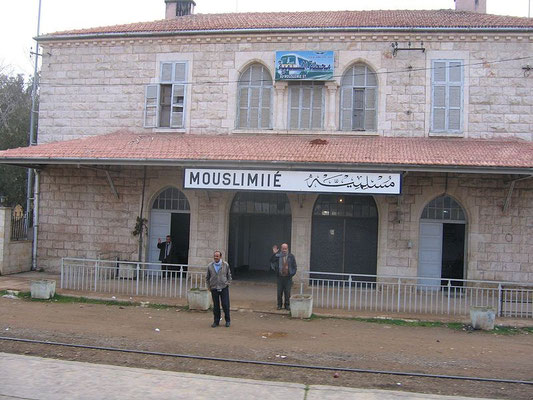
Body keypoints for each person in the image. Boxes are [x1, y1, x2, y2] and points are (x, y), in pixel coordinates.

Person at [206, 250, 231, 328]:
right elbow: (207, 277)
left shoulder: (225, 265)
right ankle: (216, 321)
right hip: (214, 287)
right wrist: (209, 286)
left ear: (220, 257)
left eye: (217, 256)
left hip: (223, 287)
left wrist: (227, 283)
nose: (215, 257)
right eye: (215, 256)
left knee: (225, 304)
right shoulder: (210, 266)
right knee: (216, 306)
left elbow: (229, 275)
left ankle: (227, 320)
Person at [270, 243, 297, 310]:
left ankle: (287, 305)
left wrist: (292, 274)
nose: (284, 250)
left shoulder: (291, 256)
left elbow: (294, 266)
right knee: (279, 292)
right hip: (280, 277)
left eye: (285, 248)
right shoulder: (278, 256)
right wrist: (274, 254)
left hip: (288, 278)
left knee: (287, 292)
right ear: (281, 249)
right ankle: (279, 305)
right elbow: (271, 261)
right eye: (283, 248)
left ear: (288, 249)